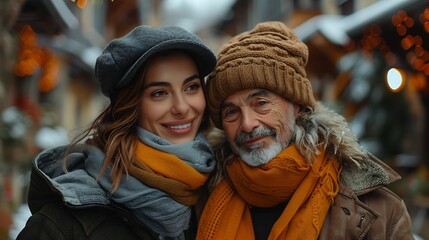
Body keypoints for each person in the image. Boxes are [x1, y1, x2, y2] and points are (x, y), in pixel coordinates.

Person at [196, 21, 414, 240]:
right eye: (231, 112)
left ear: (297, 106)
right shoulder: (199, 200)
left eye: (261, 103)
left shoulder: (379, 210)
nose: (247, 124)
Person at [17, 24, 216, 240]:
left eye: (191, 87)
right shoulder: (63, 226)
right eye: (159, 93)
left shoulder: (220, 191)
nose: (182, 107)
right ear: (130, 106)